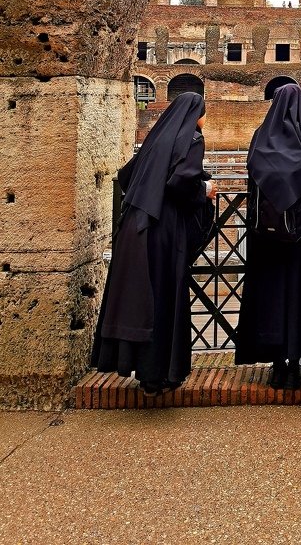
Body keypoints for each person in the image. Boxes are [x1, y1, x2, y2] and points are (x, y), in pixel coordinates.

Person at [91, 91, 214, 395]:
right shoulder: (192, 139)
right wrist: (205, 188)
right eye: (203, 112)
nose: (204, 118)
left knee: (139, 300)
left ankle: (143, 374)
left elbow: (126, 174)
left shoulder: (156, 138)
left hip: (135, 224)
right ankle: (160, 375)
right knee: (163, 298)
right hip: (164, 228)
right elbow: (182, 183)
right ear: (195, 114)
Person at [235, 84, 301, 388]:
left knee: (272, 295)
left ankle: (277, 362)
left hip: (268, 235)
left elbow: (252, 181)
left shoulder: (261, 135)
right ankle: (298, 358)